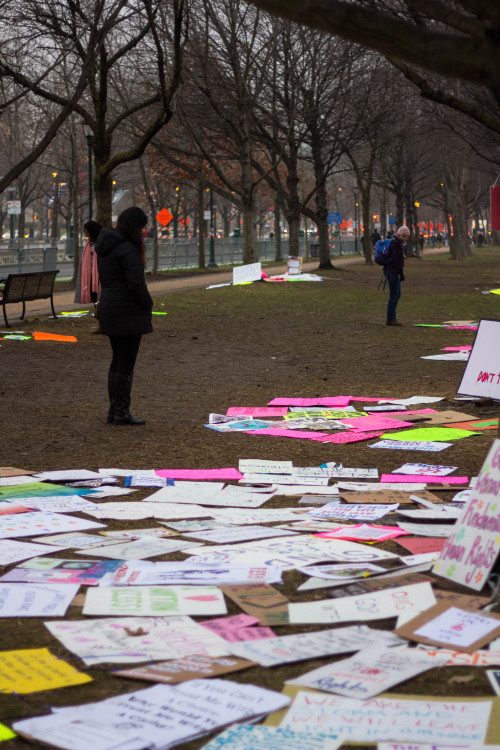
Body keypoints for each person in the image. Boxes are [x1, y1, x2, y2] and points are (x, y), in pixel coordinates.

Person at [95, 207, 153, 425]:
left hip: (111, 308)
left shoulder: (108, 247)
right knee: (125, 363)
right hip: (127, 311)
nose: (143, 232)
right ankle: (121, 411)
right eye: (142, 228)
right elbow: (136, 284)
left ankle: (115, 410)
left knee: (118, 361)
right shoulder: (127, 249)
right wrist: (148, 304)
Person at [74, 220, 102, 324]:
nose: (86, 234)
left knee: (99, 298)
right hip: (90, 276)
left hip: (99, 275)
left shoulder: (100, 241)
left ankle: (102, 322)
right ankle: (101, 322)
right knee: (95, 299)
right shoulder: (89, 242)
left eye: (87, 232)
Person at [384, 224, 410, 326]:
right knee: (394, 295)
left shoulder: (398, 243)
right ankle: (390, 318)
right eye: (407, 236)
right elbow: (396, 259)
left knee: (396, 295)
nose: (407, 238)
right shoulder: (396, 244)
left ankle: (392, 317)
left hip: (394, 271)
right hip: (393, 271)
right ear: (403, 235)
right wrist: (400, 272)